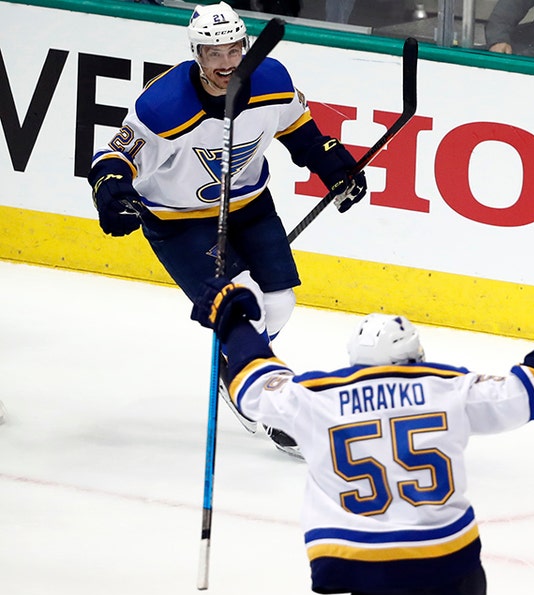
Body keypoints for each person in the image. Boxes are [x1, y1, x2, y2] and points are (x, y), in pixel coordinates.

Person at [191, 246, 534, 595]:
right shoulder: (450, 388)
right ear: (415, 356)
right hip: (462, 590)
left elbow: (253, 385)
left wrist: (233, 323)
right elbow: (533, 388)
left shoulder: (316, 400)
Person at [88, 2, 367, 455]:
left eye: (233, 49)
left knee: (279, 302)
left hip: (250, 204)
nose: (226, 62)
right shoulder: (163, 106)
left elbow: (302, 133)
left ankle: (233, 362)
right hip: (179, 221)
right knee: (243, 303)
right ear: (197, 53)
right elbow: (113, 158)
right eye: (213, 53)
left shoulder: (272, 81)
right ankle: (261, 389)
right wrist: (112, 192)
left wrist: (334, 168)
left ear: (245, 46)